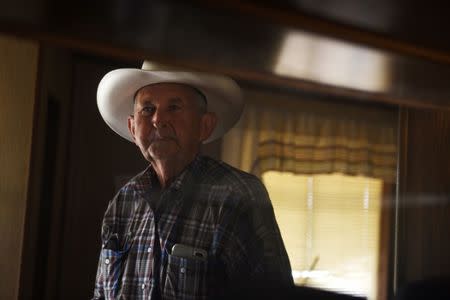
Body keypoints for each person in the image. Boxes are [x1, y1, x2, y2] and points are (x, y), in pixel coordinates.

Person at [93, 61, 293, 299]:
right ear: (133, 128)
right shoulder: (122, 202)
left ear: (204, 126)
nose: (158, 119)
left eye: (174, 107)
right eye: (147, 109)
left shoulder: (238, 195)